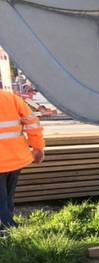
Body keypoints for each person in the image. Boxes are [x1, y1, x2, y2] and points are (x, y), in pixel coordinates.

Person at [0, 90, 44, 232]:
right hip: (15, 158)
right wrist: (38, 148)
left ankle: (8, 229)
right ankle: (8, 226)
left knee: (2, 201)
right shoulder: (11, 98)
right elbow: (32, 123)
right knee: (7, 197)